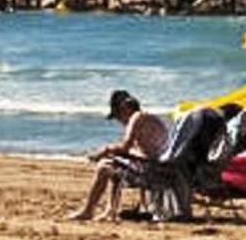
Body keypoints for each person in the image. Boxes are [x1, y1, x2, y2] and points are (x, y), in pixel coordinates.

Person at [67, 89, 170, 221]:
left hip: (150, 171)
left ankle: (88, 210)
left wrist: (105, 150)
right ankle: (110, 210)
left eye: (117, 116)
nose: (119, 121)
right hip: (161, 168)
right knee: (115, 164)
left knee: (104, 166)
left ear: (124, 108)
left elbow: (125, 147)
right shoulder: (152, 119)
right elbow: (147, 150)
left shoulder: (136, 118)